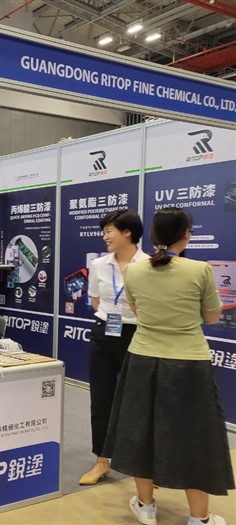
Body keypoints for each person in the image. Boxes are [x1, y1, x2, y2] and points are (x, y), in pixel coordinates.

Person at [103, 207, 234, 525]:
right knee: (195, 436)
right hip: (188, 364)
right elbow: (212, 317)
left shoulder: (134, 271)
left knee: (140, 431)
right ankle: (199, 518)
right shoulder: (200, 270)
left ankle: (146, 506)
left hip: (142, 360)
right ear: (186, 234)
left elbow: (138, 311)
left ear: (152, 235)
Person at [79, 209, 149, 486]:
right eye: (104, 232)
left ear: (127, 232)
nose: (105, 236)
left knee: (139, 400)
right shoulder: (99, 264)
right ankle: (101, 461)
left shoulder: (149, 264)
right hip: (105, 333)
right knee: (101, 398)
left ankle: (142, 464)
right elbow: (95, 301)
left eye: (109, 231)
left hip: (138, 334)